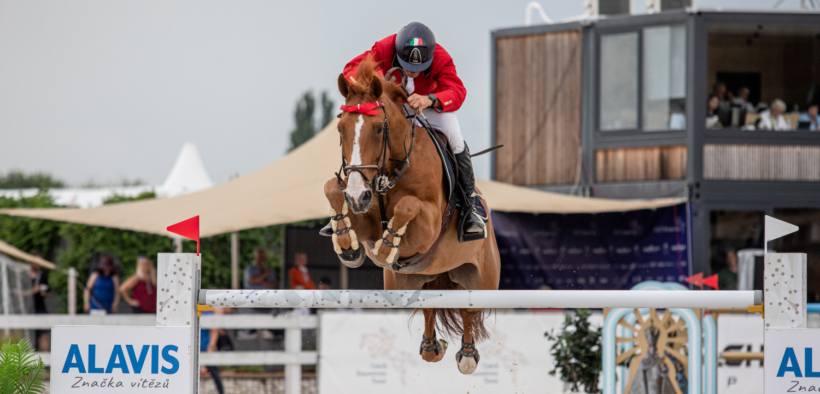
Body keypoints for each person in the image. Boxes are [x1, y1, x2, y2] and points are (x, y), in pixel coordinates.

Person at [320, 21, 486, 240]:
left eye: (419, 68)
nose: (412, 72)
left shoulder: (441, 57)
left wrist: (430, 99)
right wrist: (376, 80)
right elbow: (351, 69)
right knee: (363, 133)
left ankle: (469, 206)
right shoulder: (384, 47)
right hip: (393, 108)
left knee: (455, 138)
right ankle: (348, 201)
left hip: (429, 108)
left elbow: (457, 91)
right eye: (407, 66)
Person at [28, 259, 51, 351]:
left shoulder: (42, 276)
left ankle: (44, 358)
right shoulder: (23, 275)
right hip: (26, 310)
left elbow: (49, 293)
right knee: (27, 337)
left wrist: (42, 292)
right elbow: (16, 293)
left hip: (40, 309)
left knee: (45, 334)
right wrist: (32, 291)